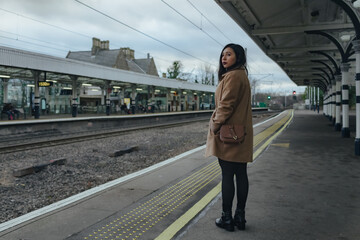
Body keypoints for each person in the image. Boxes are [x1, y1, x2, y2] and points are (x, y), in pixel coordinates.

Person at [205, 43, 253, 232]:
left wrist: (215, 125)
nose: (224, 58)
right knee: (241, 174)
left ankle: (227, 218)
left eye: (229, 54)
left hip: (228, 136)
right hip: (241, 134)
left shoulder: (233, 76)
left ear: (238, 57)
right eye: (223, 55)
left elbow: (226, 105)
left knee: (227, 175)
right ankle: (239, 217)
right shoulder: (242, 76)